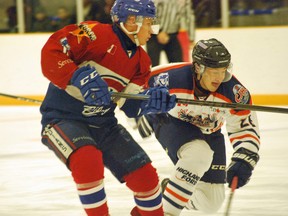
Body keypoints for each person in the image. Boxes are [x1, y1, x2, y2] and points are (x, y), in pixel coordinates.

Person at [39, 0, 177, 215]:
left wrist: (150, 102)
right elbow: (53, 50)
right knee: (87, 160)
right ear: (132, 21)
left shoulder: (142, 61)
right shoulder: (94, 33)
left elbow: (129, 104)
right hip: (63, 119)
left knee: (146, 179)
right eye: (150, 23)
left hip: (104, 126)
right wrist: (75, 75)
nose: (152, 30)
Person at [136, 38, 260, 215]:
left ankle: (170, 190)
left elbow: (244, 126)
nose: (220, 77)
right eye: (214, 71)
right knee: (198, 153)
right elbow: (136, 87)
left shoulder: (234, 92)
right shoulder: (171, 77)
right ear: (198, 68)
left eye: (223, 70)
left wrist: (244, 157)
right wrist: (144, 110)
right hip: (172, 121)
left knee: (211, 202)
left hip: (211, 132)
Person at [146, 0, 195, 66]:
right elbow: (150, 13)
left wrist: (191, 38)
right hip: (154, 35)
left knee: (178, 66)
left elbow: (189, 16)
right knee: (152, 67)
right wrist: (159, 31)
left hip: (173, 35)